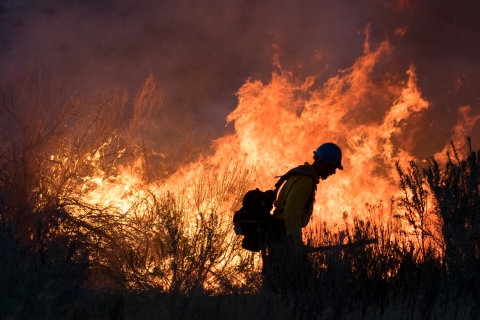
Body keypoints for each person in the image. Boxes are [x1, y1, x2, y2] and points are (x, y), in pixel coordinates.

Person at [262, 142, 343, 297]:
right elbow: (291, 214)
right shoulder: (305, 180)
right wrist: (295, 242)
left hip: (279, 233)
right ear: (323, 163)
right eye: (333, 167)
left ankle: (272, 307)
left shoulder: (303, 176)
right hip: (283, 235)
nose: (333, 172)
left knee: (278, 281)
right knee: (307, 285)